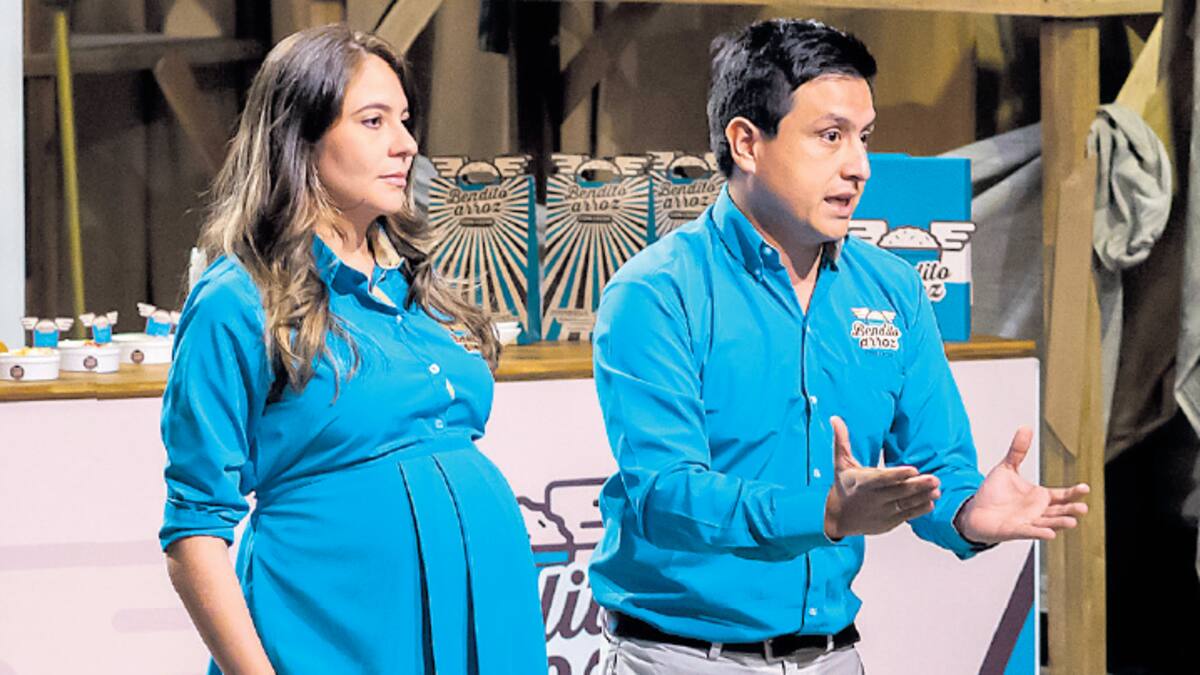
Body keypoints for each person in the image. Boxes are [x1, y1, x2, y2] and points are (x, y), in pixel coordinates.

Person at [588, 18, 1090, 674]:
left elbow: (936, 461)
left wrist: (969, 510)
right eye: (830, 136)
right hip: (678, 658)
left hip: (834, 656)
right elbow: (667, 496)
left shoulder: (894, 288)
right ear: (747, 142)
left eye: (864, 137)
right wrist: (823, 513)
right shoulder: (656, 293)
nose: (859, 167)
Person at [158, 24, 546, 675]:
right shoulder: (238, 299)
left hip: (486, 634)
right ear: (300, 138)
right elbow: (194, 531)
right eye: (373, 121)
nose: (406, 144)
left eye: (405, 120)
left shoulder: (414, 285)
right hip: (331, 643)